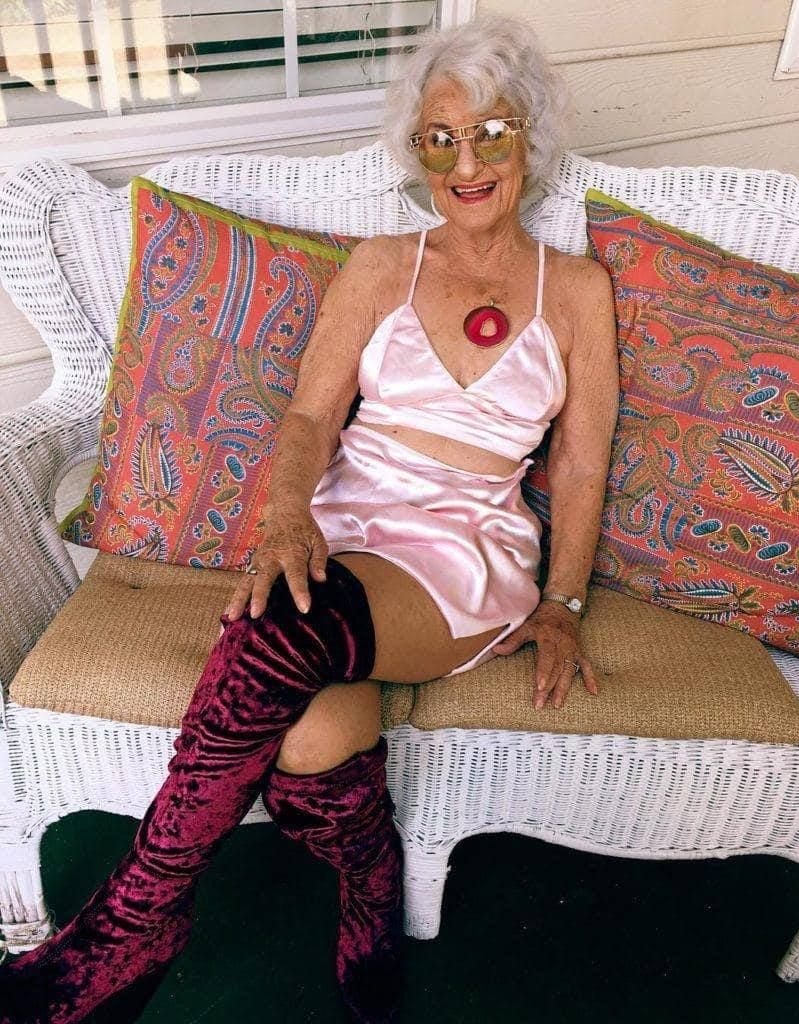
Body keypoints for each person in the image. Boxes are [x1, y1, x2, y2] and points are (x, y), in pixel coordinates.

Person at [0, 14, 618, 1024]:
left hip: (464, 549)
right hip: (345, 526)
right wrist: (286, 515)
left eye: (491, 134)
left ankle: (134, 920)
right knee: (307, 741)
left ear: (530, 139)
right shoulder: (381, 266)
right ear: (417, 154)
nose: (466, 164)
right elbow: (308, 416)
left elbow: (583, 461)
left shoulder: (579, 292)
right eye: (440, 140)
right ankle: (371, 883)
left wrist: (565, 601)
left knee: (286, 620)